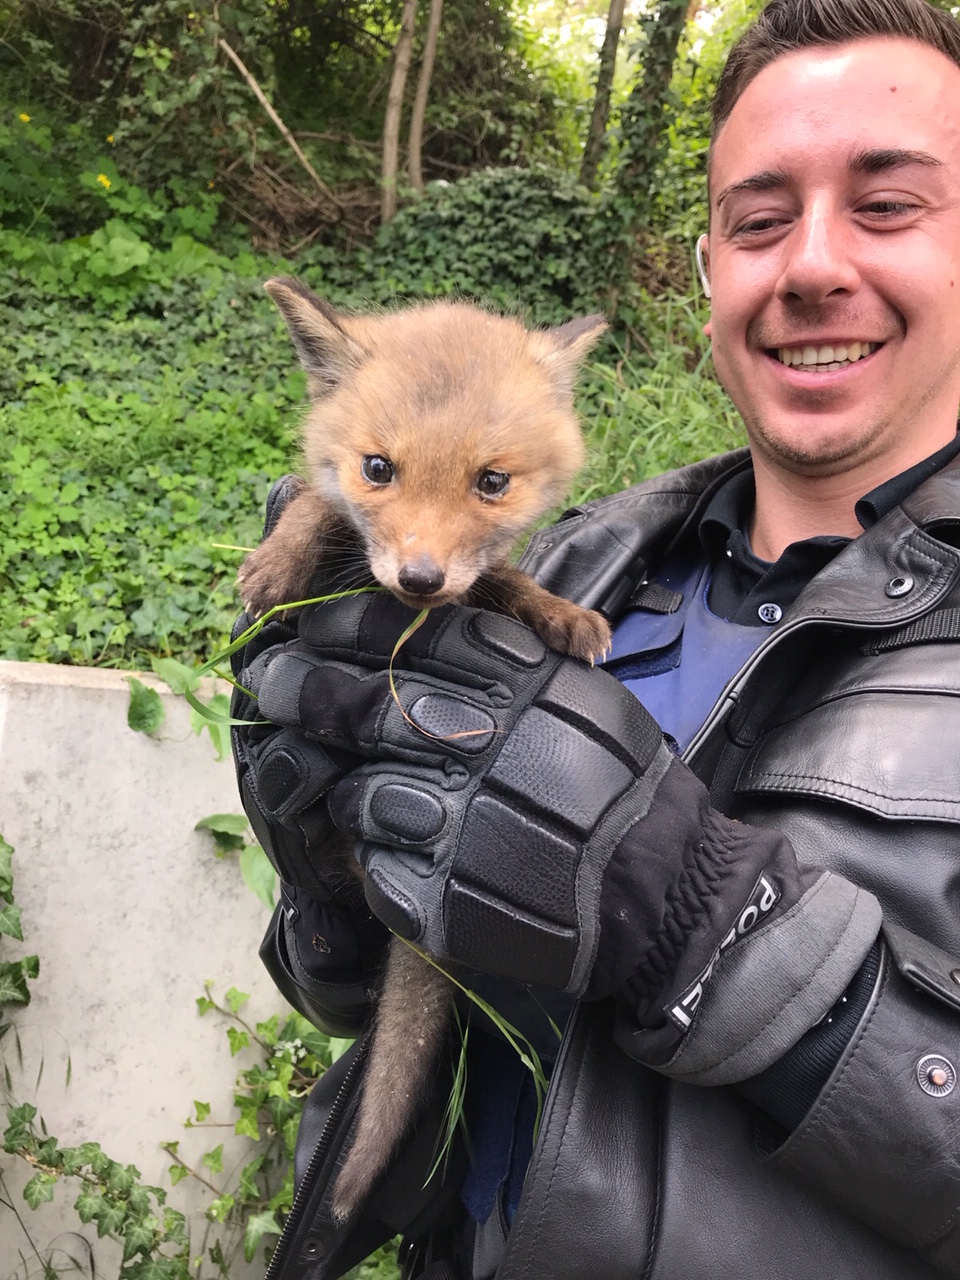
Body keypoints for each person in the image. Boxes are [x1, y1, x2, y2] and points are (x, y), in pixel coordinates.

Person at [230, 1, 960, 1275]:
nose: (810, 266)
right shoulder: (577, 567)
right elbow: (347, 991)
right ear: (710, 263)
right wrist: (332, 879)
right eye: (758, 217)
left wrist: (702, 924)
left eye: (889, 205)